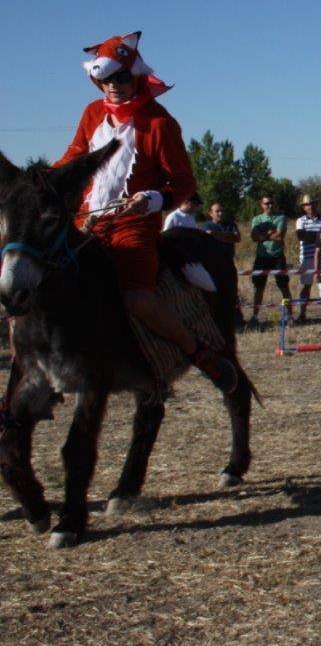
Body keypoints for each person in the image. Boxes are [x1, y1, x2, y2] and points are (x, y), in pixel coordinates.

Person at [55, 31, 237, 391]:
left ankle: (198, 352)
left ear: (135, 75)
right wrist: (41, 178)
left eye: (120, 77)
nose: (113, 86)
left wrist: (154, 199)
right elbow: (73, 158)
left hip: (133, 226)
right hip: (85, 222)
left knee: (137, 299)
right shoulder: (92, 114)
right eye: (104, 79)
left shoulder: (160, 123)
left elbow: (184, 183)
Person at [247, 195, 291, 327]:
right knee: (258, 287)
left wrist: (263, 235)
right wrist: (268, 234)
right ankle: (255, 316)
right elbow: (254, 237)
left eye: (271, 203)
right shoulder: (257, 219)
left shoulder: (281, 217)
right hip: (261, 257)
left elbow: (279, 236)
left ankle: (290, 315)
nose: (269, 206)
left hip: (277, 256)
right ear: (261, 204)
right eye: (266, 203)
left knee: (284, 286)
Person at [202, 202, 244, 325]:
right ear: (211, 213)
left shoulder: (230, 224)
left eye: (222, 211)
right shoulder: (206, 225)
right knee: (214, 292)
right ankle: (215, 320)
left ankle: (237, 319)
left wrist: (217, 235)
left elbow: (237, 238)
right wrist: (227, 237)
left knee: (232, 291)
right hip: (213, 265)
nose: (220, 213)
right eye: (217, 211)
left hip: (228, 262)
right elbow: (208, 238)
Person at [294, 195, 321, 322]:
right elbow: (301, 236)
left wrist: (311, 235)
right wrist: (320, 235)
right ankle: (302, 314)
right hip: (307, 257)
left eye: (312, 204)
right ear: (303, 207)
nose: (310, 206)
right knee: (307, 286)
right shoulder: (300, 220)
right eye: (307, 204)